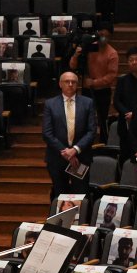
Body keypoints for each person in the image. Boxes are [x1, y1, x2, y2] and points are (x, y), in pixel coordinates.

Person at [42, 71, 97, 200]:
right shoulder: (50, 104)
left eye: (74, 82)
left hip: (80, 157)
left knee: (81, 195)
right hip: (57, 158)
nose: (71, 84)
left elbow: (92, 131)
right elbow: (47, 133)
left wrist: (75, 150)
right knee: (60, 195)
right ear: (60, 84)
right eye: (67, 81)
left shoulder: (87, 103)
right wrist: (66, 152)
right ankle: (62, 221)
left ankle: (80, 221)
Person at [69, 23, 118, 141]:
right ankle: (85, 142)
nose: (102, 38)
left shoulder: (112, 53)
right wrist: (76, 54)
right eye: (101, 35)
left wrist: (94, 82)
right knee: (86, 118)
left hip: (103, 91)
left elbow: (111, 76)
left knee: (102, 118)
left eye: (106, 36)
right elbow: (72, 66)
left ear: (110, 37)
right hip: (86, 89)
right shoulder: (89, 47)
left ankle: (103, 141)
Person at [114, 46, 137, 159]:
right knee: (124, 156)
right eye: (131, 60)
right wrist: (127, 113)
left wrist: (135, 114)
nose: (134, 62)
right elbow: (116, 101)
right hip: (125, 124)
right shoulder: (122, 80)